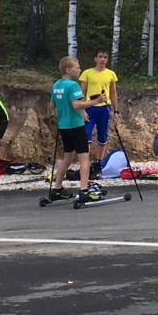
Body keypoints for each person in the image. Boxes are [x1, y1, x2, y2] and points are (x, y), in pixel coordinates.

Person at [48, 56, 108, 203]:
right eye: (77, 67)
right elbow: (76, 105)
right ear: (68, 70)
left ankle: (57, 188)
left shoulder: (56, 85)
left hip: (64, 126)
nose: (79, 69)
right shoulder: (72, 85)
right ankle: (83, 190)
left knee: (67, 157)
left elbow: (51, 106)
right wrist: (97, 101)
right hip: (75, 125)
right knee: (84, 158)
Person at [79, 48, 120, 164]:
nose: (102, 59)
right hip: (90, 107)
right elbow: (82, 92)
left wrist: (116, 111)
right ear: (95, 59)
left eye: (105, 57)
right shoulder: (87, 73)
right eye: (100, 57)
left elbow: (113, 93)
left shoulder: (111, 74)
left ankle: (98, 162)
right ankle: (84, 162)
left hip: (104, 108)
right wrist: (82, 110)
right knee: (86, 134)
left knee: (103, 135)